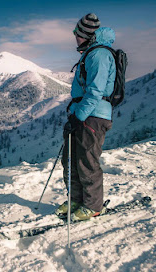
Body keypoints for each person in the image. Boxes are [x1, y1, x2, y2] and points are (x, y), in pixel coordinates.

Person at [55, 13, 115, 221]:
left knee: (87, 161)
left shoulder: (99, 55)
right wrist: (76, 114)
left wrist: (79, 115)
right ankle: (76, 199)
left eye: (77, 33)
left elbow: (95, 91)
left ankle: (92, 206)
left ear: (87, 35)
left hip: (93, 116)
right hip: (83, 114)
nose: (75, 37)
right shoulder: (90, 53)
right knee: (70, 159)